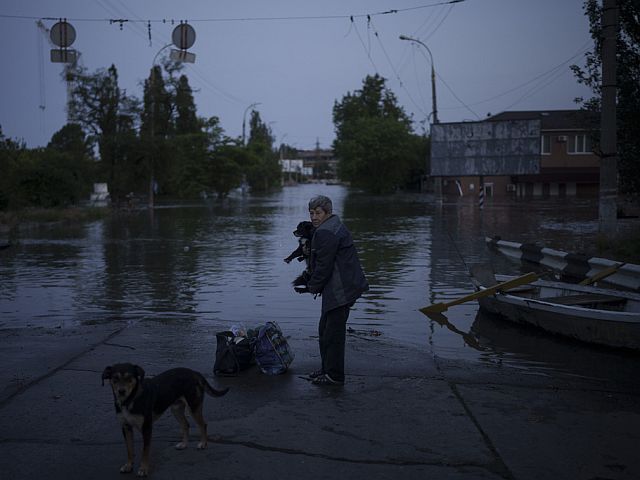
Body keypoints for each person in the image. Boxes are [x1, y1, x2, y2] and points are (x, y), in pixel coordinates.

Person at [297, 195, 369, 386]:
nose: (313, 217)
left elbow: (323, 266)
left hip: (341, 289)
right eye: (311, 213)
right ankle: (326, 370)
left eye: (317, 213)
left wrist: (311, 287)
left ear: (327, 212)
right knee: (325, 329)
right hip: (344, 285)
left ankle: (334, 376)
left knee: (333, 334)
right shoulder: (333, 224)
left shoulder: (325, 232)